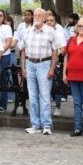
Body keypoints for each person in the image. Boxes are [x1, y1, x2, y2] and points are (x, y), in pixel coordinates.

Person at [20, 8, 58, 136]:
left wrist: (52, 68)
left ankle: (46, 125)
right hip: (30, 63)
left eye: (39, 15)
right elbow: (23, 50)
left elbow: (55, 51)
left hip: (44, 64)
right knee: (32, 96)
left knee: (45, 96)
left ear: (44, 18)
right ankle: (35, 125)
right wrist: (23, 67)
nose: (36, 17)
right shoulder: (27, 31)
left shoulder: (50, 31)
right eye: (35, 15)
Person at [0, 9, 15, 112]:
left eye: (0, 15)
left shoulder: (6, 28)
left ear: (4, 17)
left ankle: (3, 104)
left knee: (3, 80)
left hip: (4, 56)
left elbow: (8, 42)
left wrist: (0, 53)